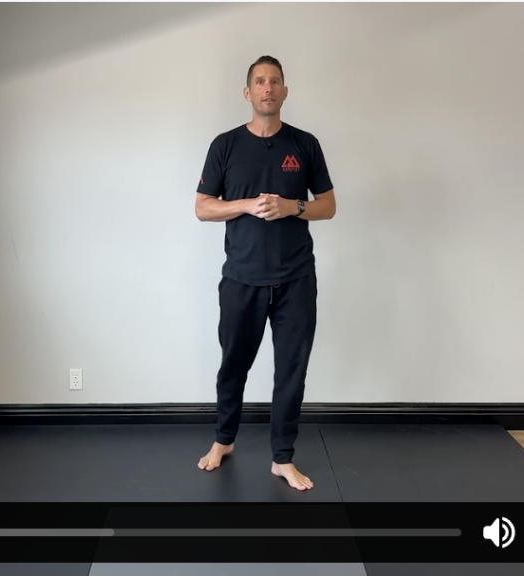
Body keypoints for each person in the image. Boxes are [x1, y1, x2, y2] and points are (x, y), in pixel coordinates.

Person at [193, 55, 336, 491]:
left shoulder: (305, 144)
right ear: (248, 92)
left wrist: (292, 206)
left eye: (274, 81)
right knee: (233, 365)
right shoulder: (225, 145)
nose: (267, 87)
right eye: (259, 81)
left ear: (285, 91)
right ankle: (224, 439)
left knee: (291, 370)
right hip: (241, 278)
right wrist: (246, 204)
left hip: (296, 279)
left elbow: (328, 206)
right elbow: (202, 207)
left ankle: (282, 458)